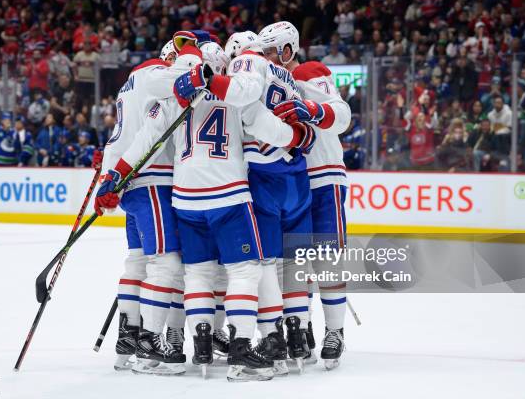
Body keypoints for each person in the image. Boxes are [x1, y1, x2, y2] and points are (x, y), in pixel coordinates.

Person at [102, 40, 312, 382]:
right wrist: (297, 136)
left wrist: (116, 174)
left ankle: (198, 342)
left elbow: (147, 139)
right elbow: (268, 130)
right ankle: (242, 348)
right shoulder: (236, 94)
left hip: (185, 199)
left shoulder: (176, 94)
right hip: (228, 195)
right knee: (245, 270)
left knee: (196, 272)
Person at [258, 21, 352, 370]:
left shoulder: (310, 72)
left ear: (287, 50)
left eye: (271, 51)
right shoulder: (263, 81)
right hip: (291, 182)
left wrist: (312, 110)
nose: (266, 58)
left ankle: (335, 331)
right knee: (294, 262)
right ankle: (302, 328)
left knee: (327, 258)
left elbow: (342, 115)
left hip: (323, 175)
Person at [96, 38, 188, 374]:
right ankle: (150, 345)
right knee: (167, 263)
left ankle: (127, 340)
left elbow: (118, 139)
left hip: (129, 183)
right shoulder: (158, 75)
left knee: (137, 262)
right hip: (153, 181)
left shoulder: (128, 84)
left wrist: (109, 177)